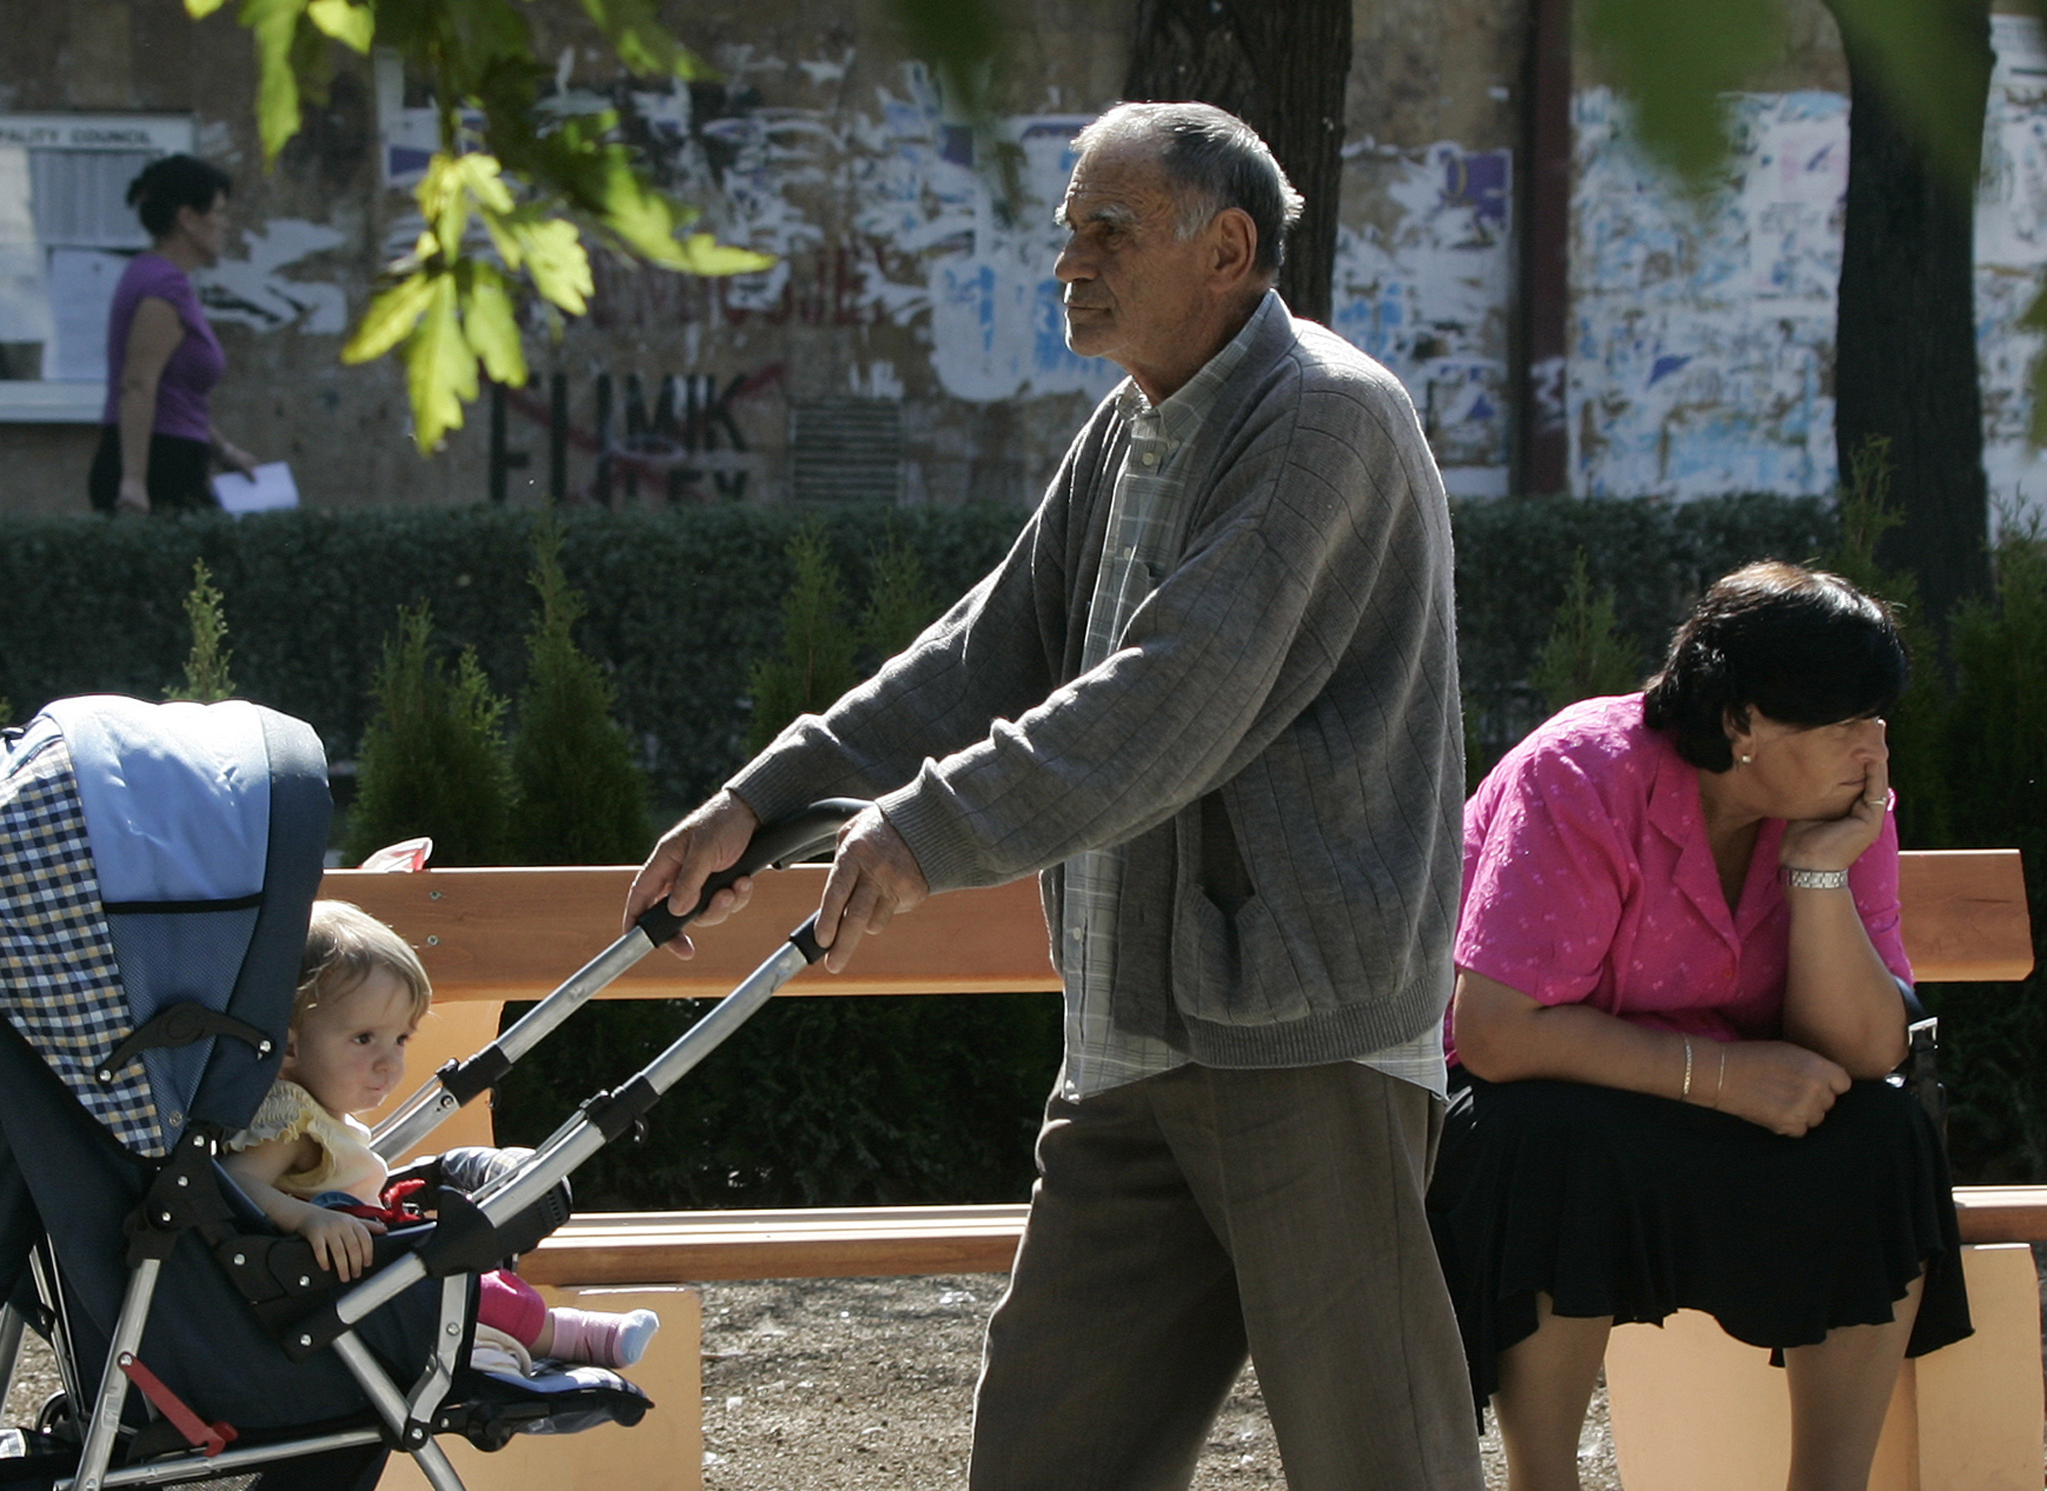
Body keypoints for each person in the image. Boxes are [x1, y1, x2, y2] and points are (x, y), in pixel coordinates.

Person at [626, 101, 1481, 1489]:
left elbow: (1171, 698)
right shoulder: (1131, 427)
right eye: (1066, 229)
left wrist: (924, 828)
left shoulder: (1324, 419)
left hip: (1302, 1044)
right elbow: (981, 657)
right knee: (1044, 1460)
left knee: (1386, 1459)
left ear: (1229, 249)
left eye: (1109, 230)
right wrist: (768, 797)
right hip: (1128, 1046)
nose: (1068, 261)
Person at [1428, 561, 1971, 1491]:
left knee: (1884, 1133)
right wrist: (1721, 1078)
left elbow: (1874, 1049)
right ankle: (1542, 1477)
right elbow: (1496, 1031)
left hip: (1737, 1117)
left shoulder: (1840, 813)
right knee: (1539, 1132)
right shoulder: (1581, 772)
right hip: (1562, 1114)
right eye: (1844, 720)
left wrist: (1817, 875)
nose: (1873, 747)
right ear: (1743, 720)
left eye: (1877, 717)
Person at [222, 900, 658, 1373]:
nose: (390, 1063)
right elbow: (232, 1184)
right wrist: (307, 1219)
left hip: (358, 1288)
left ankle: (535, 1338)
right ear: (289, 1045)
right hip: (332, 1293)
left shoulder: (319, 1114)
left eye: (401, 1038)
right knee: (477, 1291)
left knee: (474, 1282)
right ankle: (573, 1338)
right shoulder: (288, 1117)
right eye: (364, 1038)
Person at [87, 154, 257, 514]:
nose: (226, 225)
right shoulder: (163, 287)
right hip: (162, 466)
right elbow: (138, 384)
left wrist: (223, 451)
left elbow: (173, 395)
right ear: (188, 220)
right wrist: (134, 480)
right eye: (219, 212)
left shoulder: (154, 276)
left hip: (175, 456)